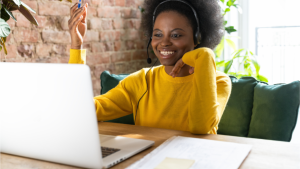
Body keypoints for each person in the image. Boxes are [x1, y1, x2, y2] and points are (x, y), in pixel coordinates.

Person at [68, 0, 232, 134]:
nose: (164, 42)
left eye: (176, 35)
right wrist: (77, 46)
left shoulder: (219, 82)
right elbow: (81, 110)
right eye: (158, 34)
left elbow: (200, 127)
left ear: (197, 37)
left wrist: (204, 55)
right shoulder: (142, 81)